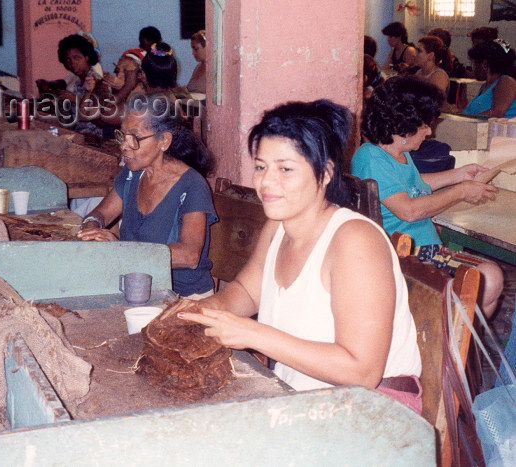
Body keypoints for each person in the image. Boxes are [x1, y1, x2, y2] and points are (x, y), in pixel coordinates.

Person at [179, 99, 423, 413]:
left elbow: (362, 371)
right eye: (261, 166)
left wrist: (252, 333)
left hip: (372, 410)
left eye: (285, 169)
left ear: (324, 174)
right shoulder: (277, 227)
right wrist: (200, 312)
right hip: (305, 397)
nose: (266, 181)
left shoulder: (354, 241)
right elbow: (246, 292)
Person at [352, 76, 504, 317]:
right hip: (407, 253)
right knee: (490, 277)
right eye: (424, 125)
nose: (429, 131)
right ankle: (451, 346)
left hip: (420, 248)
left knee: (487, 277)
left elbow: (414, 186)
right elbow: (408, 210)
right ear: (404, 124)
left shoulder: (392, 153)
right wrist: (461, 191)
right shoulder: (371, 158)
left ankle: (454, 345)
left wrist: (459, 175)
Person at [77, 93, 217, 298]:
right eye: (123, 136)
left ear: (164, 141)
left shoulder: (192, 185)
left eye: (135, 138)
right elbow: (101, 214)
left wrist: (122, 251)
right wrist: (91, 227)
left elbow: (190, 256)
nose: (124, 145)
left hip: (183, 298)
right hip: (137, 287)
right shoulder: (132, 174)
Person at [463, 39, 516, 118]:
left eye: (474, 63)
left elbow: (497, 113)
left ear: (484, 64)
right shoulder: (485, 86)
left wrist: (465, 121)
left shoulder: (506, 82)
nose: (473, 68)